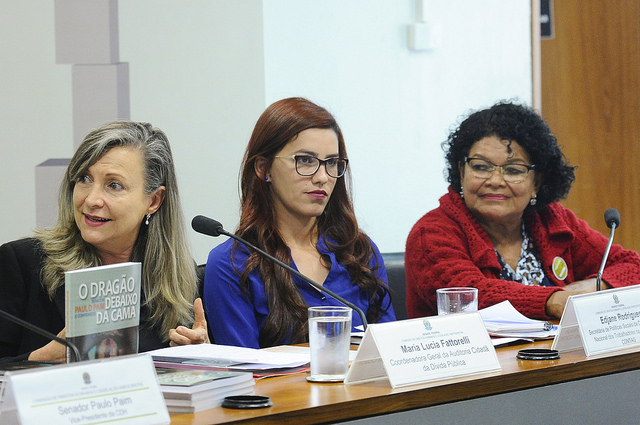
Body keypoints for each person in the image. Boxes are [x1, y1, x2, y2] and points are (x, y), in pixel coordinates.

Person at [405, 101, 640, 320]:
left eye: (513, 170)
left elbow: (632, 266)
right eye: (481, 167)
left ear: (536, 182)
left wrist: (590, 287)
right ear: (461, 171)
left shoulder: (552, 221)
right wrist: (554, 300)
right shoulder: (431, 234)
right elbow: (470, 296)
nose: (495, 181)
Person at [0, 121, 208, 364]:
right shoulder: (22, 264)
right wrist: (40, 359)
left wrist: (199, 354)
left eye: (114, 185)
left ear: (154, 201)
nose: (91, 199)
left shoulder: (177, 278)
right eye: (84, 178)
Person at [204, 97, 395, 348]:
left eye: (332, 163)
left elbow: (391, 353)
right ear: (263, 168)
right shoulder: (231, 263)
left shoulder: (360, 252)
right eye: (305, 160)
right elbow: (245, 369)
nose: (322, 177)